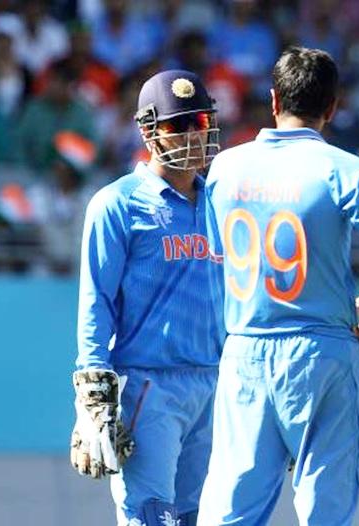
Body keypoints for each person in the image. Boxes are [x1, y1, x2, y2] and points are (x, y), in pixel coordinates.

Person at [197, 47, 359, 526]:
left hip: (245, 352)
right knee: (325, 512)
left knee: (229, 514)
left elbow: (217, 262)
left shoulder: (224, 168)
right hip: (322, 353)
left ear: (274, 99)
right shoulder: (342, 168)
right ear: (333, 107)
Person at [70, 69, 225, 526]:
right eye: (180, 125)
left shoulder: (223, 202)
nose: (194, 135)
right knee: (153, 517)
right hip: (148, 385)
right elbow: (95, 299)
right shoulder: (117, 203)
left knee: (203, 517)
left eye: (201, 122)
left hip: (216, 381)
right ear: (148, 132)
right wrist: (93, 385)